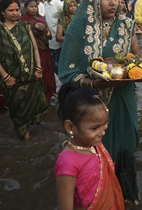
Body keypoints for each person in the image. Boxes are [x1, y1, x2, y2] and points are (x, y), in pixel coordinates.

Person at [58, 0, 141, 204]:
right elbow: (66, 71)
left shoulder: (126, 24)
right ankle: (97, 197)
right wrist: (94, 83)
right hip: (92, 101)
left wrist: (139, 68)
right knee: (96, 147)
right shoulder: (79, 28)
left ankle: (124, 193)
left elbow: (136, 57)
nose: (112, 2)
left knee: (127, 144)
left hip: (123, 97)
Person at [55, 82, 124, 210]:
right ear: (70, 127)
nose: (103, 132)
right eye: (94, 128)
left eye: (105, 123)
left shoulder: (93, 145)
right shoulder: (67, 164)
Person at [0, 0, 48, 139]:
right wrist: (6, 76)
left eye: (17, 10)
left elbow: (34, 47)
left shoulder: (24, 26)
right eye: (10, 10)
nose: (15, 13)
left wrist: (38, 68)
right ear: (2, 11)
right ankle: (25, 140)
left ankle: (29, 138)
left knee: (35, 105)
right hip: (12, 79)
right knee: (19, 112)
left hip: (31, 76)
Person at [19, 0, 56, 102]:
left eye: (35, 6)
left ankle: (47, 94)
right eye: (31, 7)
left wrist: (44, 31)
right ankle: (35, 96)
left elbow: (49, 36)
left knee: (46, 71)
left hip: (43, 50)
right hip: (30, 52)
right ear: (25, 8)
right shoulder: (22, 20)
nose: (34, 9)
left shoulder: (42, 19)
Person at [41, 0, 63, 75]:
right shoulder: (45, 4)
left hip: (58, 42)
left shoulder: (59, 5)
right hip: (48, 41)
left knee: (58, 66)